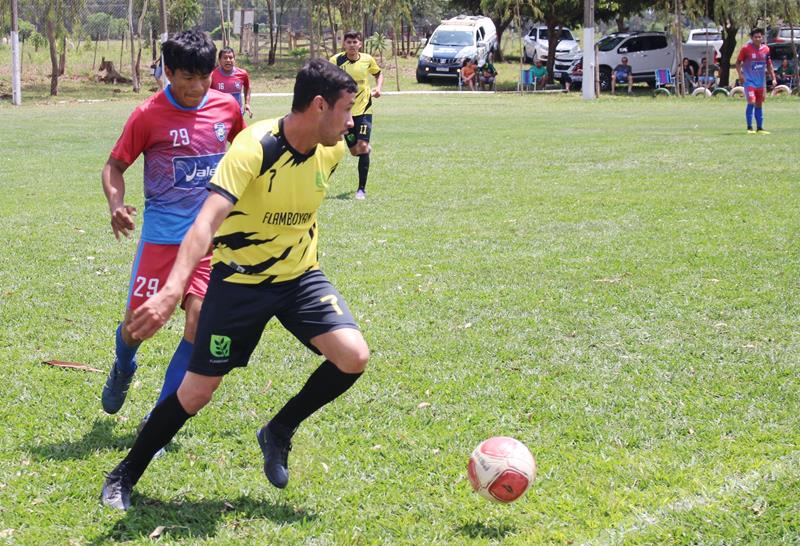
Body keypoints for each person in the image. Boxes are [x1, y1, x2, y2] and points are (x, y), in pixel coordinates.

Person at [100, 59, 369, 511]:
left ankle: (279, 430)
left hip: (299, 277)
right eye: (345, 110)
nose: (350, 122)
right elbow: (204, 226)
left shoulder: (332, 150)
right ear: (319, 106)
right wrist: (171, 291)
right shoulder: (252, 149)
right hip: (239, 284)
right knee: (196, 393)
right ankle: (124, 475)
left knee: (353, 357)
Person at [100, 31, 245, 423]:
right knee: (138, 326)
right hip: (162, 241)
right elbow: (114, 167)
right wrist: (116, 205)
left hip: (210, 243)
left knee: (197, 324)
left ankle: (160, 419)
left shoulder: (226, 108)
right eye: (186, 78)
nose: (197, 87)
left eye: (204, 77)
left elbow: (247, 153)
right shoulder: (148, 115)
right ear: (167, 72)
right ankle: (124, 365)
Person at [330, 31, 383, 200]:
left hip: (364, 110)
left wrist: (378, 88)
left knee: (363, 149)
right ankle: (362, 147)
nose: (352, 45)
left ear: (360, 44)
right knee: (354, 151)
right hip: (344, 114)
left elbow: (378, 73)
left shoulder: (368, 59)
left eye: (355, 42)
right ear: (344, 44)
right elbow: (327, 79)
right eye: (349, 42)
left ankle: (361, 190)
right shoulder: (336, 60)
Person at [736, 28, 777, 134]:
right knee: (751, 101)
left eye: (760, 37)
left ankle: (760, 128)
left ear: (762, 37)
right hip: (749, 81)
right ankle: (749, 128)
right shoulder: (746, 49)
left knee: (759, 104)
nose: (758, 39)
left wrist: (773, 78)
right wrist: (740, 75)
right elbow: (737, 62)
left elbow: (769, 65)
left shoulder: (766, 49)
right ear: (751, 38)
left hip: (760, 82)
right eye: (756, 37)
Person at [211, 47, 252, 118]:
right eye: (225, 58)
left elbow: (247, 87)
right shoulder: (212, 75)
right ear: (219, 60)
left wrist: (247, 103)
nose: (228, 60)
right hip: (219, 115)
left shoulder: (242, 74)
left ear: (234, 60)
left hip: (237, 113)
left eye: (231, 57)